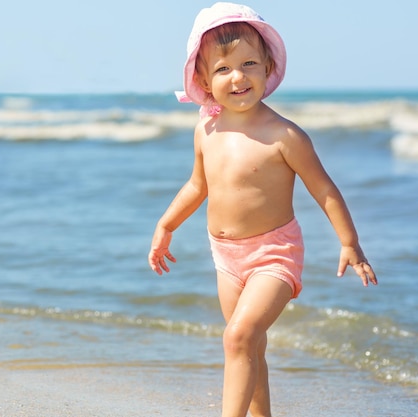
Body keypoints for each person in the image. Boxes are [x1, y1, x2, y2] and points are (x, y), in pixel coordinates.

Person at [147, 3, 377, 417]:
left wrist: (350, 243)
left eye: (248, 63)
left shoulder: (285, 136)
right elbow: (198, 185)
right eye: (222, 69)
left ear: (268, 66)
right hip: (225, 257)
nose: (237, 77)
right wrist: (167, 225)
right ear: (202, 78)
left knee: (237, 339)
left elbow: (324, 189)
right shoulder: (206, 128)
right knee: (248, 345)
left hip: (275, 253)